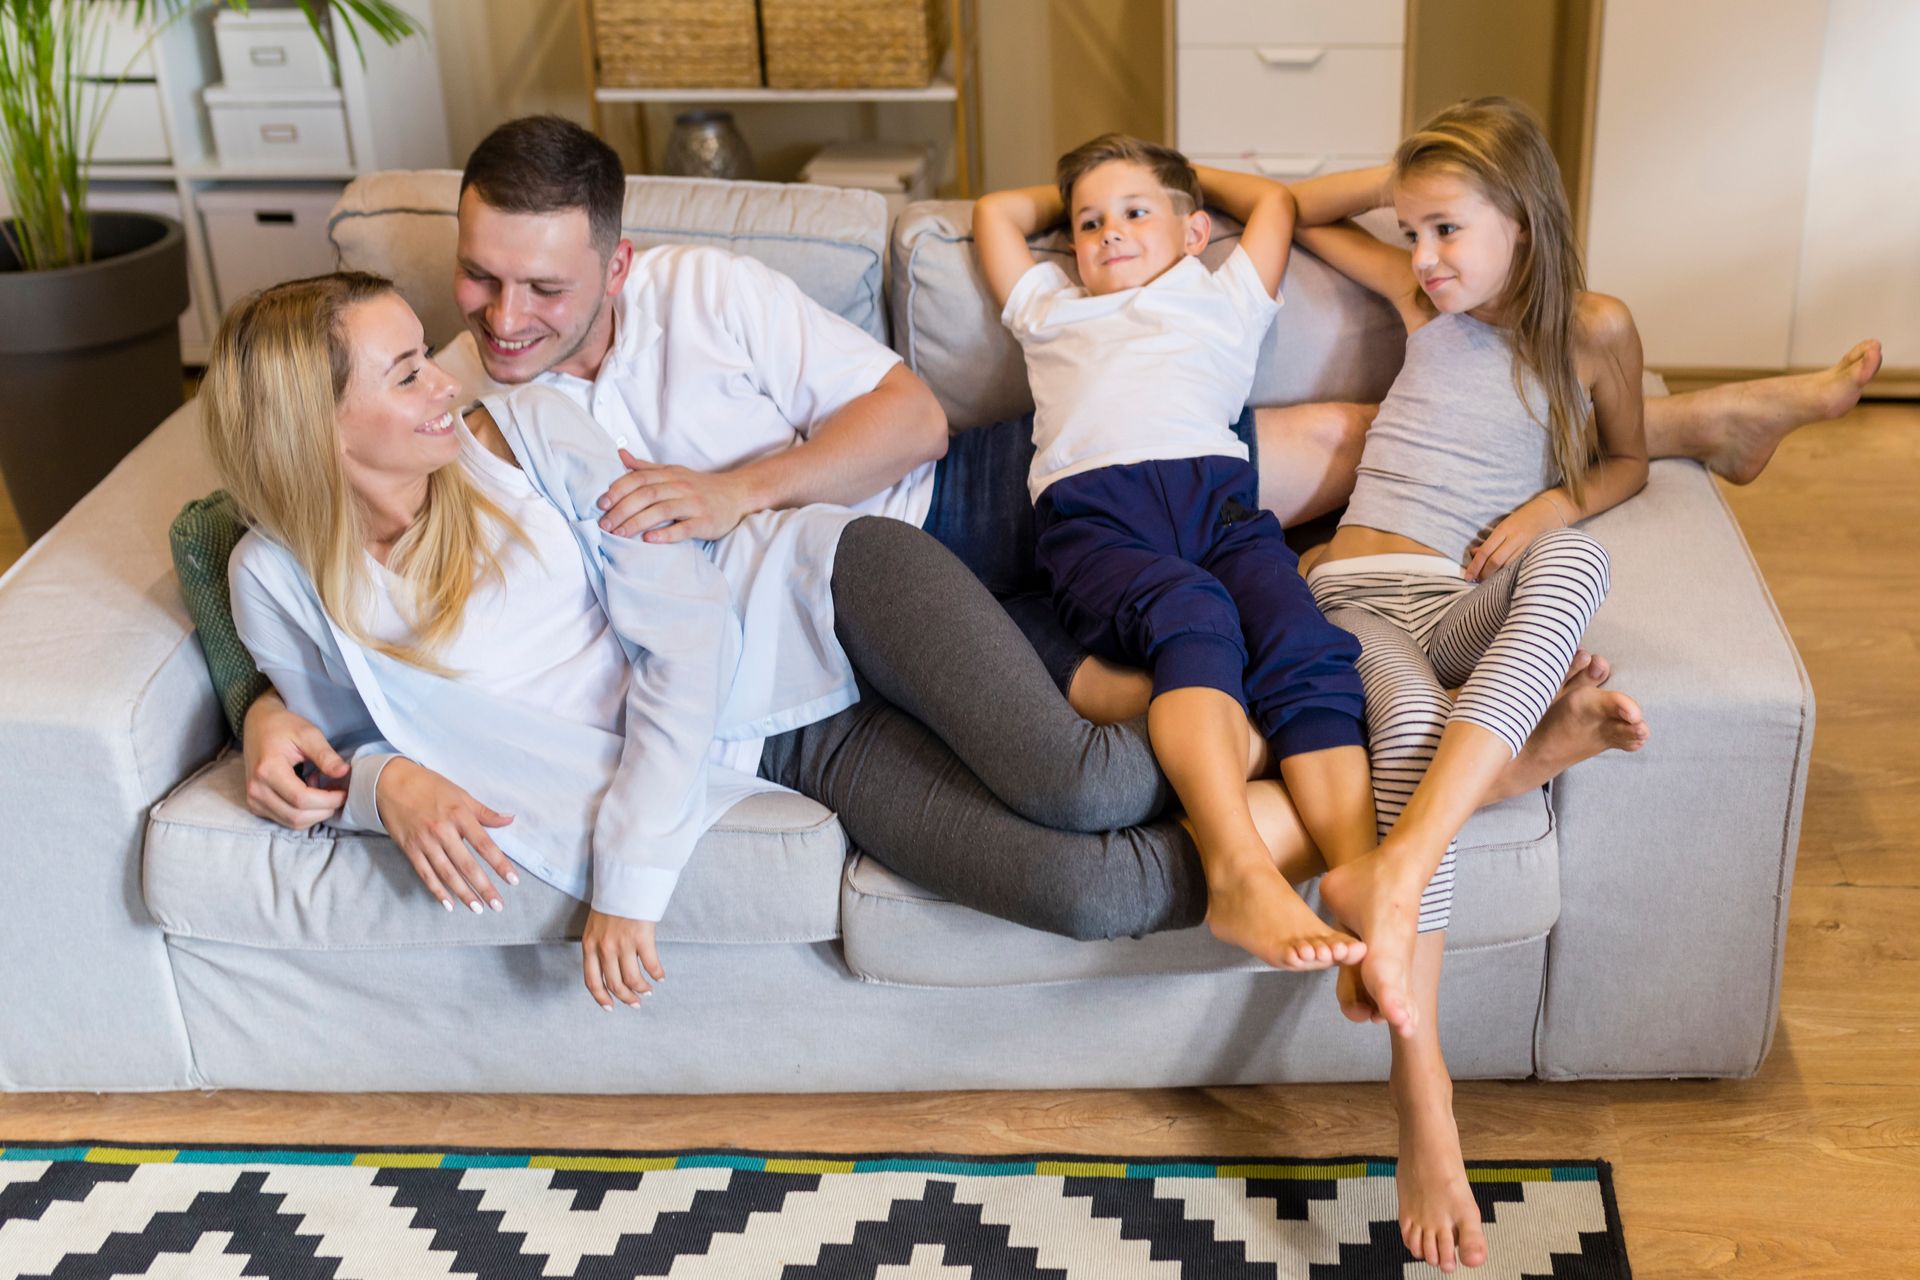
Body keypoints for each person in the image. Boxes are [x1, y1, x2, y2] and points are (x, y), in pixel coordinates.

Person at [219, 114, 1879, 843]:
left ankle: (1681, 427)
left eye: (537, 292)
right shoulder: (451, 397)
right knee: (1140, 654)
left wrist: (741, 492)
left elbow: (914, 424)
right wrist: (266, 712)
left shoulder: (703, 299)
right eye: (476, 290)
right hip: (902, 594)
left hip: (993, 491)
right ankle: (1691, 431)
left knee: (1341, 447)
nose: (497, 324)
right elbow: (267, 505)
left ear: (616, 261)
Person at [208, 271, 1372, 1012]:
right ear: (315, 421)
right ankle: (1271, 804)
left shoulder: (524, 432)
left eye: (427, 354)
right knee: (1084, 887)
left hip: (816, 591)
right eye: (408, 370)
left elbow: (674, 644)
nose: (449, 380)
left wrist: (632, 878)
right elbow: (345, 736)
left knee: (1084, 777)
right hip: (764, 745)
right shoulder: (276, 579)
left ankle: (1294, 676)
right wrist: (381, 783)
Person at [1281, 98, 1650, 1273]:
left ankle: (1393, 870)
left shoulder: (1593, 328)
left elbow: (1631, 456)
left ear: (1526, 226)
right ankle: (1422, 1094)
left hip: (1462, 595)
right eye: (1414, 229)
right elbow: (1285, 206)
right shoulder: (1411, 296)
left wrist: (1553, 501)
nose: (1426, 259)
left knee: (1580, 557)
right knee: (1405, 734)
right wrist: (1401, 179)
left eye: (1449, 230)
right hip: (1351, 598)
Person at [971, 135, 1379, 977]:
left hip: (1221, 508)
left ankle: (1360, 874)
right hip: (1098, 523)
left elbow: (1274, 203)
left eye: (1133, 213)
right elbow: (994, 214)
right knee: (1194, 612)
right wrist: (1075, 199)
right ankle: (1235, 870)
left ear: (1194, 232)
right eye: (1089, 223)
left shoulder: (1221, 294)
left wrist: (1184, 181)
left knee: (1301, 639)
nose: (1108, 232)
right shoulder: (1050, 304)